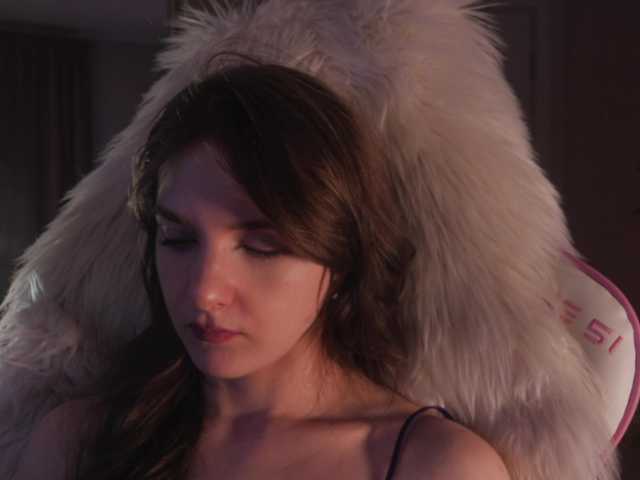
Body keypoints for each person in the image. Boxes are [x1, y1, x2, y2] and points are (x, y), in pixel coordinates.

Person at [1, 1, 620, 480]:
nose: (205, 291)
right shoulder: (75, 441)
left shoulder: (434, 466)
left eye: (262, 245)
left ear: (342, 258)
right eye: (179, 239)